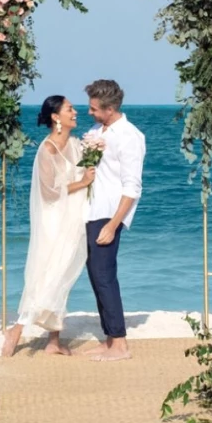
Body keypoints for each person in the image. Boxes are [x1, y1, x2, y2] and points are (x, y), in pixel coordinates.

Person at [1, 94, 97, 357]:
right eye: (69, 109)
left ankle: (53, 340)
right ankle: (17, 329)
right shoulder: (48, 150)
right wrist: (84, 182)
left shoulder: (77, 144)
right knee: (48, 275)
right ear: (56, 117)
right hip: (55, 220)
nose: (75, 112)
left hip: (75, 216)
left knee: (63, 276)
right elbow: (50, 192)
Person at [81, 78, 145, 361]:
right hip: (88, 210)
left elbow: (132, 187)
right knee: (95, 276)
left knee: (105, 276)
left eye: (94, 108)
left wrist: (113, 223)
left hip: (107, 214)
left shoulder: (130, 136)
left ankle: (120, 343)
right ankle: (109, 338)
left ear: (109, 108)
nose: (90, 112)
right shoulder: (96, 130)